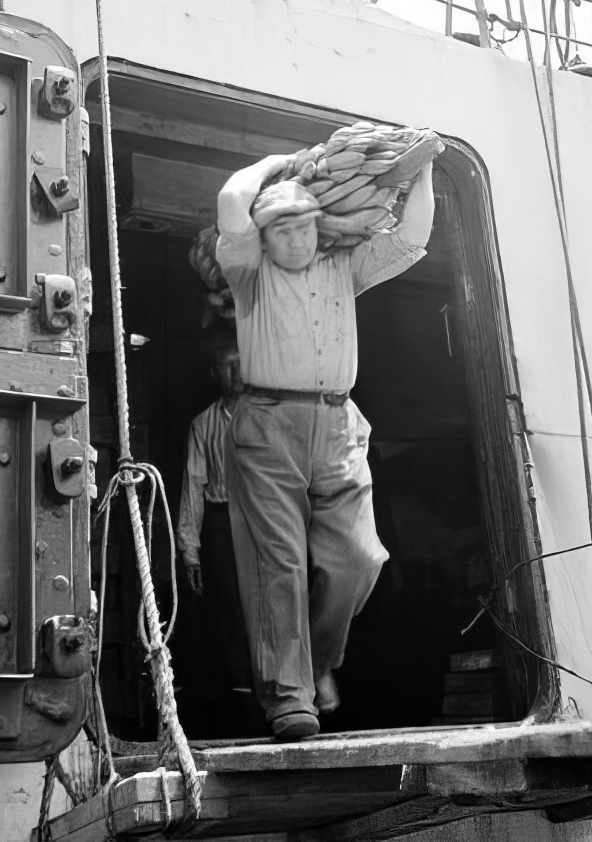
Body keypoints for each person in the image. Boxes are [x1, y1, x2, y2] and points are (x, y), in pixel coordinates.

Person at [216, 152, 435, 740]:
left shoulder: (344, 268)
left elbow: (412, 237)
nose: (295, 240)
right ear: (265, 239)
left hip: (338, 424)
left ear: (320, 226)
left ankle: (317, 663)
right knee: (279, 565)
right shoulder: (249, 273)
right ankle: (291, 699)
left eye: (304, 226)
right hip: (268, 423)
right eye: (282, 230)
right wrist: (277, 164)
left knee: (359, 560)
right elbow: (233, 203)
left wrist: (425, 169)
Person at [176, 341, 254, 728]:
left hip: (266, 518)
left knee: (276, 602)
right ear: (214, 373)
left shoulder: (268, 416)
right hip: (223, 522)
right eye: (226, 366)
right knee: (232, 607)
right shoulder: (203, 424)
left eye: (240, 365)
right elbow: (193, 485)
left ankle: (282, 690)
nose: (235, 373)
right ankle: (243, 698)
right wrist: (189, 549)